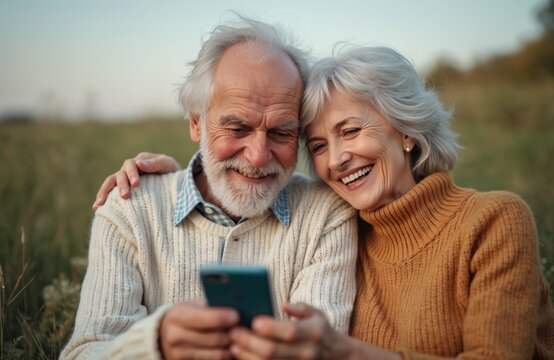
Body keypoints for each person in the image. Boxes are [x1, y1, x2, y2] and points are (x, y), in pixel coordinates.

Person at [102, 46, 554, 359]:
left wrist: (344, 353)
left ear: (407, 130)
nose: (336, 160)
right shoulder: (344, 224)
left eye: (351, 131)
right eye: (317, 146)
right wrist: (184, 174)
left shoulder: (494, 219)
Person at [61, 17, 359, 360]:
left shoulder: (326, 214)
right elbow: (81, 353)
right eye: (237, 128)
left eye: (281, 132)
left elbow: (321, 349)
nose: (259, 157)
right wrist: (155, 344)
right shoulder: (130, 207)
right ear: (196, 122)